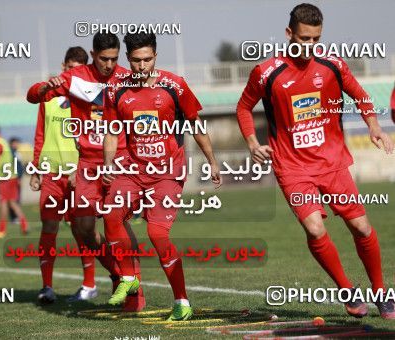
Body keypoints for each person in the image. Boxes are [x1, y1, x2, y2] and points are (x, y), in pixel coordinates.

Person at [236, 3, 395, 319]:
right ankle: (347, 290)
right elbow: (243, 108)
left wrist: (374, 126)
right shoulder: (266, 73)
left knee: (362, 228)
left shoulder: (333, 65)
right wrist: (253, 142)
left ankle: (381, 292)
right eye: (304, 38)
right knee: (314, 228)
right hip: (292, 167)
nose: (309, 46)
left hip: (333, 163)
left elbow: (362, 96)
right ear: (289, 34)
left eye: (316, 39)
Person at [102, 32, 222, 321]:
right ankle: (129, 277)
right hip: (131, 168)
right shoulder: (115, 89)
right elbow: (111, 132)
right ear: (127, 59)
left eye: (147, 59)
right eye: (135, 61)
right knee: (110, 215)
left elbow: (196, 124)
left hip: (167, 172)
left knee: (157, 234)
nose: (142, 66)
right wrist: (108, 164)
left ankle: (181, 300)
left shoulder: (175, 86)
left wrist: (212, 162)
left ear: (155, 56)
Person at [26, 33, 145, 311]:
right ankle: (118, 274)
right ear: (93, 55)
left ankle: (134, 286)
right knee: (85, 229)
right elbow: (32, 97)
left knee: (118, 221)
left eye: (115, 59)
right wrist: (45, 87)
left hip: (121, 161)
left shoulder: (127, 79)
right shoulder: (75, 78)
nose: (110, 64)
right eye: (104, 59)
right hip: (87, 165)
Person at [30, 47, 99, 303]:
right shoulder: (48, 97)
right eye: (68, 68)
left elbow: (93, 138)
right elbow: (40, 134)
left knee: (81, 229)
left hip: (77, 175)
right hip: (51, 174)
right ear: (63, 66)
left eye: (77, 69)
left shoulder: (88, 99)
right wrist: (36, 169)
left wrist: (80, 169)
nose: (72, 73)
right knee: (49, 227)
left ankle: (89, 284)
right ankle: (46, 286)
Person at [8, 137, 24, 224]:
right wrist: (18, 178)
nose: (17, 144)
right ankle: (15, 217)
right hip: (14, 179)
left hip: (16, 179)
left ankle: (14, 217)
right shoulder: (11, 153)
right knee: (14, 199)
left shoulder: (16, 153)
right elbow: (16, 168)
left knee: (15, 198)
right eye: (16, 143)